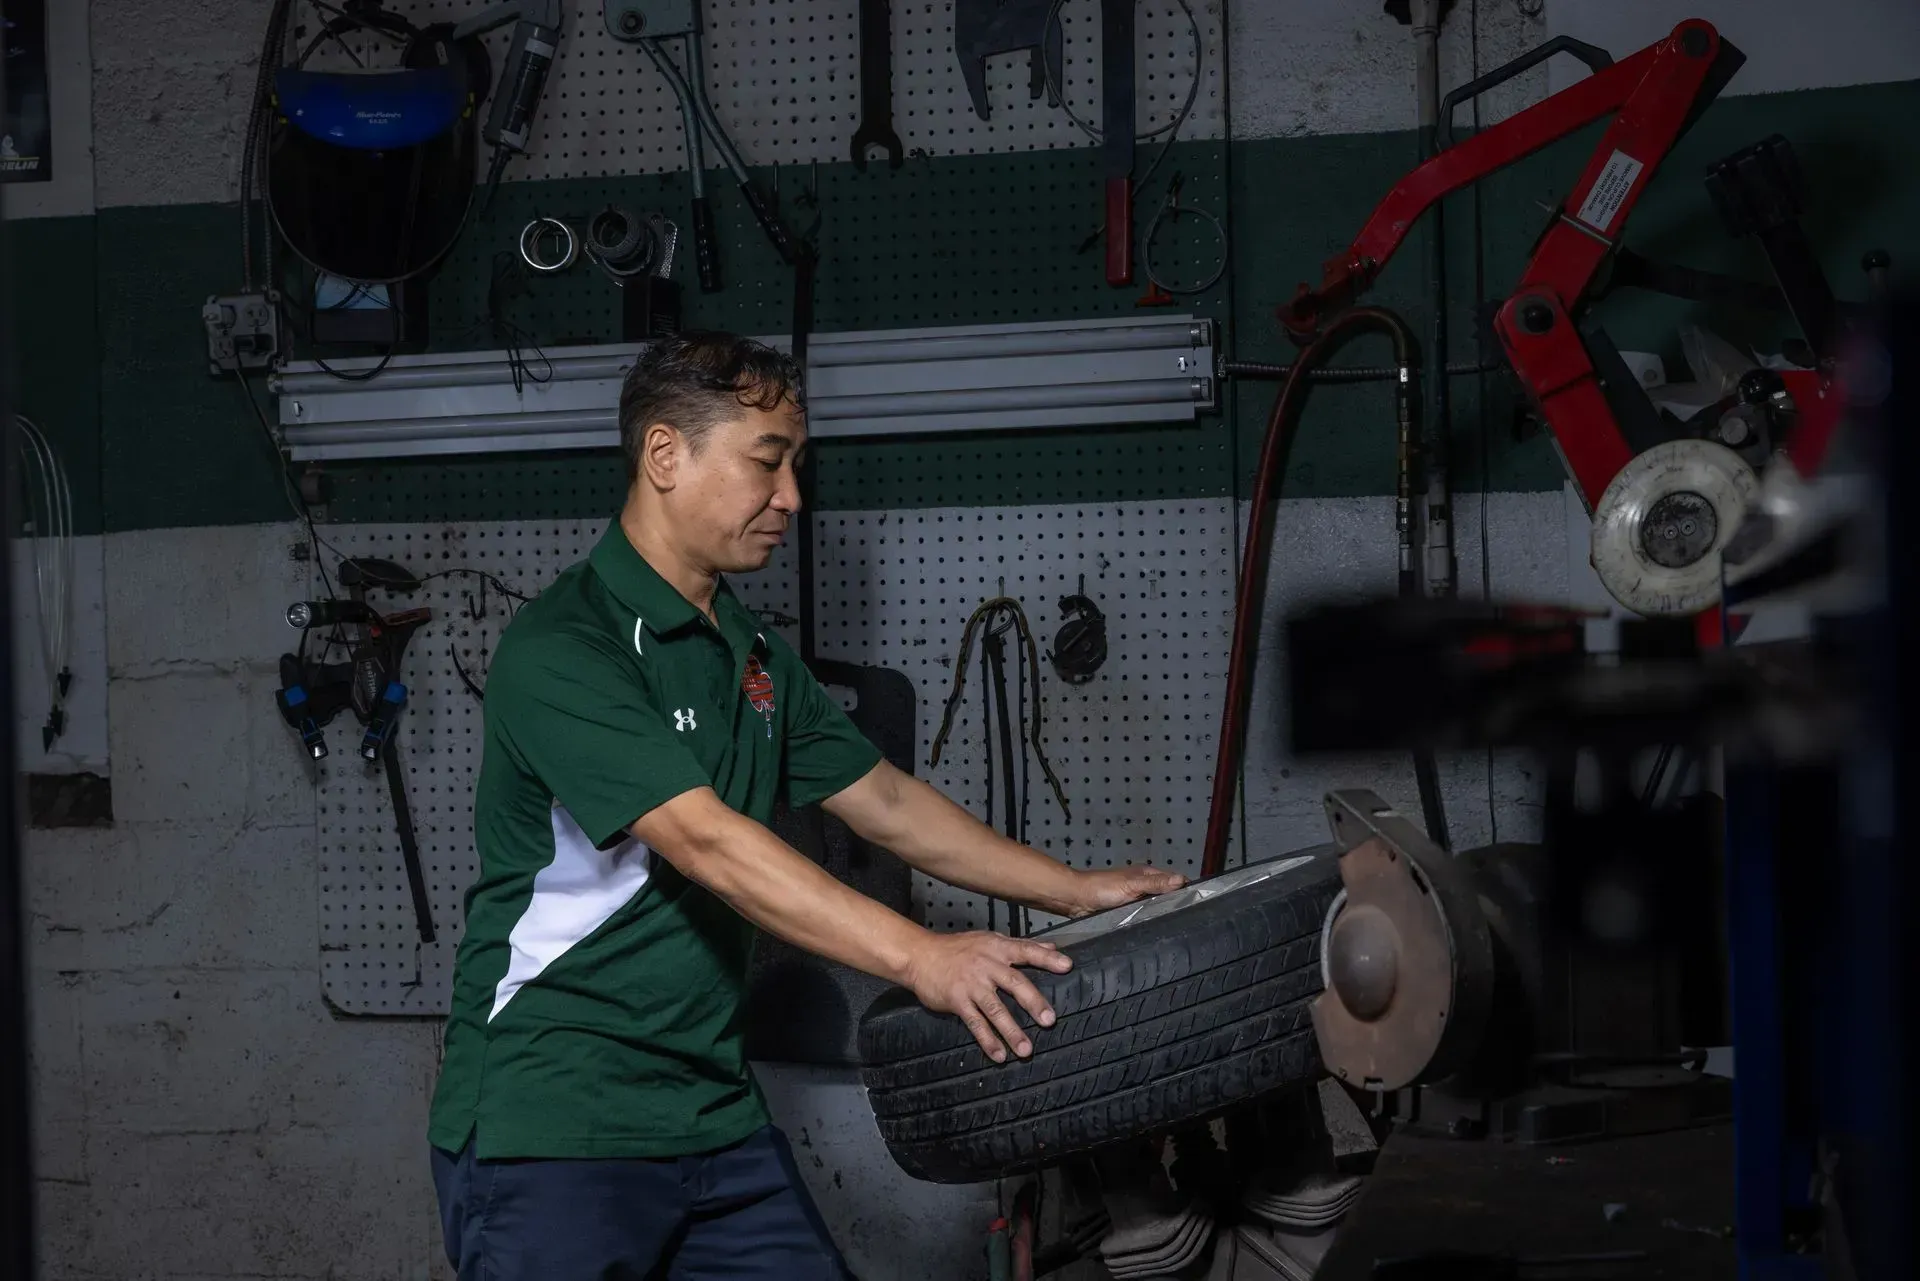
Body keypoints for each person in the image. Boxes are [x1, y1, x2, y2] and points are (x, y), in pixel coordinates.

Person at [426, 331, 1184, 1280]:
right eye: (767, 462)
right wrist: (923, 956)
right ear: (666, 455)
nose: (791, 498)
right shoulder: (563, 647)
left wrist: (1072, 890)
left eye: (796, 466)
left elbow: (889, 802)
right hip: (557, 1122)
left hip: (710, 1110)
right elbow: (708, 842)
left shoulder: (748, 650)